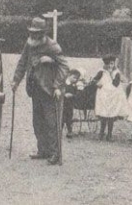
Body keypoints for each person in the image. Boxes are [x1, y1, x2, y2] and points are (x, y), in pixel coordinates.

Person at [11, 17, 69, 165]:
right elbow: (22, 62)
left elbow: (64, 66)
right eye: (31, 32)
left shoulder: (52, 46)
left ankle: (55, 153)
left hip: (50, 90)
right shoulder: (29, 44)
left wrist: (57, 85)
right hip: (35, 88)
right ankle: (43, 150)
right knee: (38, 122)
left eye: (36, 33)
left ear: (43, 33)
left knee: (52, 123)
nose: (33, 35)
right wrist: (16, 80)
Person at [92, 55, 128, 141]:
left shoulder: (116, 73)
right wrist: (97, 84)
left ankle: (109, 134)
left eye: (111, 63)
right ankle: (101, 133)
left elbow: (116, 84)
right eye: (107, 64)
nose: (110, 66)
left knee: (111, 115)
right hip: (103, 95)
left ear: (114, 63)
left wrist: (112, 74)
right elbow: (94, 80)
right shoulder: (101, 72)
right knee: (103, 114)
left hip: (113, 95)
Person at [63, 69, 81, 138]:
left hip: (70, 104)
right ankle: (59, 131)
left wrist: (73, 95)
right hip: (63, 103)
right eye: (74, 77)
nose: (75, 80)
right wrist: (64, 95)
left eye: (77, 78)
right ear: (69, 75)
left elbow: (77, 95)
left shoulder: (74, 86)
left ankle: (69, 131)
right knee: (62, 118)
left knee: (69, 117)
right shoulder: (63, 84)